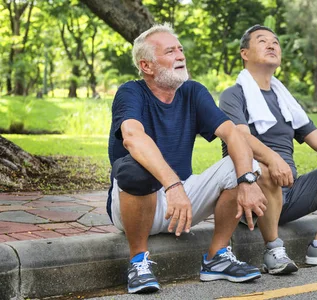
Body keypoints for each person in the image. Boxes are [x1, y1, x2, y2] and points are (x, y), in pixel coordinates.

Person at [107, 24, 268, 294]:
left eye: (180, 49)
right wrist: (173, 185)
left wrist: (248, 181)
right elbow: (133, 137)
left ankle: (216, 256)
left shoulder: (193, 91)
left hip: (181, 204)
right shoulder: (131, 92)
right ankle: (138, 261)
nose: (180, 56)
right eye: (170, 51)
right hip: (136, 202)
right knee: (135, 168)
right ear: (146, 66)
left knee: (244, 165)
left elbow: (233, 134)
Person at [219, 25, 317, 273]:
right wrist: (272, 158)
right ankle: (273, 250)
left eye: (275, 42)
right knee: (265, 169)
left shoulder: (284, 98)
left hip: (288, 191)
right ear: (244, 53)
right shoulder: (233, 95)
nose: (271, 45)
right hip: (253, 194)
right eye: (262, 41)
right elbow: (239, 136)